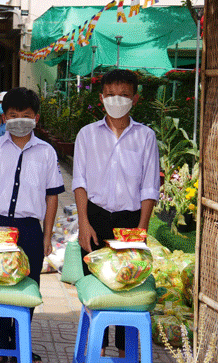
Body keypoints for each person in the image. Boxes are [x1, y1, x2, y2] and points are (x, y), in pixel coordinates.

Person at [0, 87, 64, 363]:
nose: (19, 119)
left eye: (26, 115)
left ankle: (20, 343)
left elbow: (52, 196)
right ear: (3, 117)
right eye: (13, 115)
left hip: (30, 229)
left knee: (27, 287)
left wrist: (47, 235)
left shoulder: (46, 152)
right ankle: (0, 346)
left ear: (36, 117)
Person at [72, 69, 160, 358]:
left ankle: (124, 352)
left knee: (127, 290)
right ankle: (96, 350)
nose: (117, 100)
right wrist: (83, 223)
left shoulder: (146, 137)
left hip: (130, 222)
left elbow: (149, 187)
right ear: (101, 98)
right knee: (98, 288)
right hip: (95, 218)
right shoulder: (87, 135)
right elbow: (80, 182)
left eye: (123, 95)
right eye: (111, 95)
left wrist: (142, 231)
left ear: (134, 98)